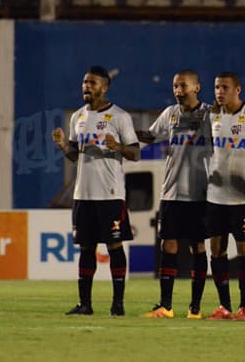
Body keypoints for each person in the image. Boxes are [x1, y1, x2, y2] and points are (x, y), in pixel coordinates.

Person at [51, 65, 140, 316]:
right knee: (86, 248)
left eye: (91, 83)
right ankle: (85, 304)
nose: (86, 87)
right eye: (84, 83)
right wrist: (61, 146)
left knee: (114, 247)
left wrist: (119, 146)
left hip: (110, 193)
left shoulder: (120, 117)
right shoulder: (77, 117)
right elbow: (73, 155)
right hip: (83, 194)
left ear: (104, 87)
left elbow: (135, 153)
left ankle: (118, 303)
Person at [137, 70, 211, 319]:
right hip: (171, 192)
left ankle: (196, 307)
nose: (178, 91)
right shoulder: (170, 114)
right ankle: (165, 305)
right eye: (175, 86)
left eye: (183, 86)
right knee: (168, 245)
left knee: (198, 247)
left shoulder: (211, 115)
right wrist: (126, 132)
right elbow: (150, 135)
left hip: (200, 193)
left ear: (197, 87)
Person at [204, 72, 245, 320]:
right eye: (217, 87)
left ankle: (244, 308)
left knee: (244, 252)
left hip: (243, 199)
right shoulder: (212, 116)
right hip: (215, 197)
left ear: (238, 89)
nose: (219, 91)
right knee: (217, 251)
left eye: (225, 87)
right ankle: (224, 306)